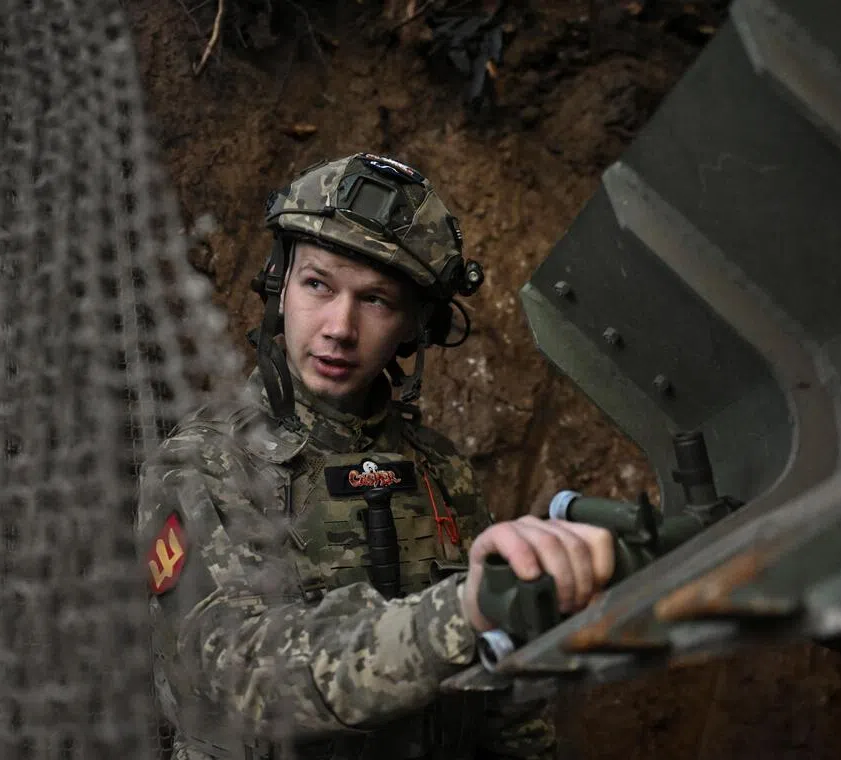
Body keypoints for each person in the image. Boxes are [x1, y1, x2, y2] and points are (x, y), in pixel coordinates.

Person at [136, 152, 616, 760]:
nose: (340, 325)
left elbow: (506, 700)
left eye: (376, 300)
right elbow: (246, 676)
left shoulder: (441, 471)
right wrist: (462, 612)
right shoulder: (206, 462)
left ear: (415, 327)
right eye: (318, 284)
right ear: (280, 286)